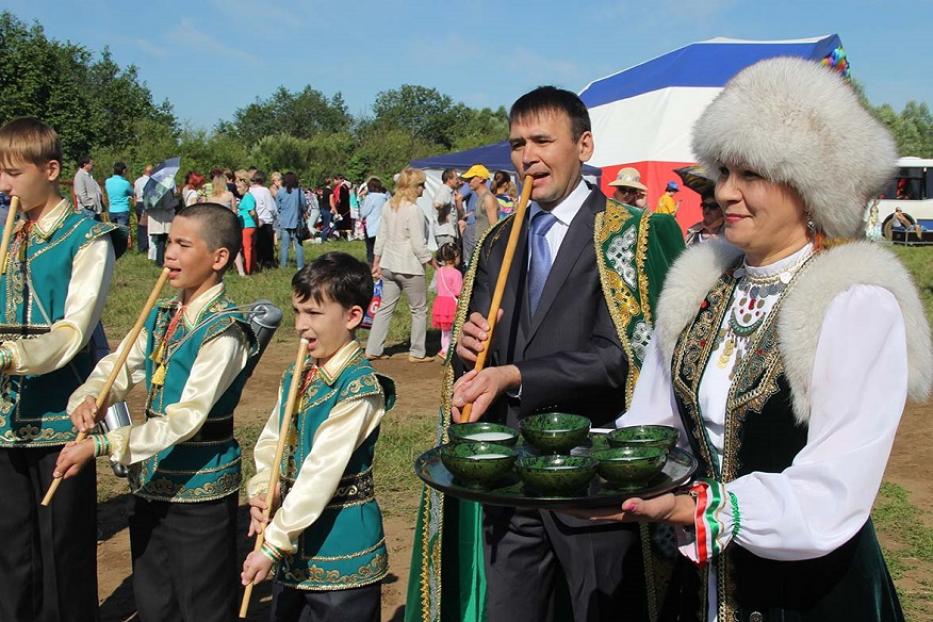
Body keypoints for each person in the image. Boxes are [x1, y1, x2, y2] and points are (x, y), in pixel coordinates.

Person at [586, 57, 932, 621]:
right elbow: (650, 428)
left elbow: (835, 487)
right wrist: (581, 466)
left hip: (813, 595)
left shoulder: (853, 303)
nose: (725, 192)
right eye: (723, 173)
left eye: (750, 175)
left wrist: (704, 507)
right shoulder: (697, 285)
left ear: (807, 184)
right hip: (702, 586)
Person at [407, 86, 685, 622]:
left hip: (596, 479)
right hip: (512, 479)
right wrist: (469, 354)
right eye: (516, 144)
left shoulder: (632, 236)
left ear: (583, 145)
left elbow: (623, 359)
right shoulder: (497, 241)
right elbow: (480, 351)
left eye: (542, 140)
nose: (527, 156)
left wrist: (515, 373)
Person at [56, 203, 256, 622]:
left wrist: (104, 444)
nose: (169, 254)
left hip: (200, 489)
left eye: (184, 245)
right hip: (151, 481)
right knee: (154, 597)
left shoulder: (226, 330)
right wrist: (91, 397)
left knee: (201, 603)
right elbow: (120, 365)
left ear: (219, 258)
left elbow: (187, 418)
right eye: (168, 242)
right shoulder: (162, 313)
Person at [0, 117, 122, 622]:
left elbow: (74, 332)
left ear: (50, 169)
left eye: (12, 172)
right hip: (6, 417)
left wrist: (9, 357)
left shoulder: (88, 238)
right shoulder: (9, 232)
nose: (3, 185)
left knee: (62, 550)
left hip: (63, 413)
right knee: (10, 549)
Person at [241, 252, 395, 621]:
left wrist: (275, 544)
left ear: (353, 316)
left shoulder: (359, 388)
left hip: (342, 549)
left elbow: (321, 472)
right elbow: (272, 440)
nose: (300, 325)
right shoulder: (299, 374)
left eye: (313, 314)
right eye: (297, 312)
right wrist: (266, 487)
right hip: (293, 547)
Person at [366, 168, 435, 363]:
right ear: (413, 187)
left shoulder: (389, 206)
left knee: (385, 308)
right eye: (421, 184)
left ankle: (373, 349)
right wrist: (431, 262)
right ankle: (417, 352)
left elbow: (381, 236)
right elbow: (417, 244)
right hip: (410, 267)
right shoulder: (414, 211)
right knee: (419, 310)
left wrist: (376, 261)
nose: (423, 188)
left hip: (388, 264)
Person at [431, 243, 462, 359]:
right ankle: (447, 350)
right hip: (451, 303)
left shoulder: (440, 271)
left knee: (445, 330)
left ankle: (444, 348)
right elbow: (458, 291)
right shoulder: (457, 273)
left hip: (440, 302)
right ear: (455, 256)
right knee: (454, 328)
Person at [275, 171, 307, 270]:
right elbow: (304, 206)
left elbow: (278, 207)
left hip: (284, 221)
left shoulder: (280, 192)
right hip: (297, 222)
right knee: (299, 245)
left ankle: (283, 265)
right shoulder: (299, 192)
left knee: (284, 246)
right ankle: (300, 266)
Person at [461, 164, 498, 245]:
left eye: (471, 178)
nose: (468, 182)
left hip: (486, 245)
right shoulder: (480, 198)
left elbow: (494, 228)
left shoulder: (488, 198)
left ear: (481, 179)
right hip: (479, 244)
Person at [250, 170, 278, 269]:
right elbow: (271, 206)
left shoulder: (249, 190)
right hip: (265, 220)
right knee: (267, 244)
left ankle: (257, 261)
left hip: (253, 219)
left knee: (256, 243)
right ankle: (268, 262)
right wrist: (275, 216)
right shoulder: (265, 191)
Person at [360, 176, 389, 265]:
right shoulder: (386, 197)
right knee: (381, 249)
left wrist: (361, 201)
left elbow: (364, 212)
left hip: (372, 226)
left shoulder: (370, 198)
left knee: (370, 248)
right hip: (383, 226)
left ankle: (372, 265)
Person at [433, 168, 463, 250]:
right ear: (449, 180)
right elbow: (437, 203)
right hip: (445, 232)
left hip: (447, 232)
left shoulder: (450, 192)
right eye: (456, 179)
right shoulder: (445, 191)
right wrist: (442, 214)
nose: (458, 181)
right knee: (448, 259)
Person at [235, 177, 258, 274]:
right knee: (251, 248)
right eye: (237, 187)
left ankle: (247, 270)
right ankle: (253, 267)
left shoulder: (247, 197)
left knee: (246, 248)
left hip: (247, 226)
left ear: (246, 187)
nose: (237, 189)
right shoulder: (246, 197)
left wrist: (256, 222)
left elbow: (252, 212)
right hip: (249, 225)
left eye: (240, 187)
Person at [105, 161, 134, 228]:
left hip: (112, 210)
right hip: (123, 210)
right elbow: (132, 193)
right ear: (123, 171)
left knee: (114, 233)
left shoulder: (108, 181)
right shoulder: (125, 183)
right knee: (122, 233)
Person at [73, 154, 103, 219]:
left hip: (94, 210)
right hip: (87, 211)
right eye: (91, 164)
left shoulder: (89, 176)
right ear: (85, 164)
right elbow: (80, 194)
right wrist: (90, 204)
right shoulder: (80, 176)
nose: (92, 166)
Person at [134, 164, 153, 253]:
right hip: (146, 203)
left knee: (140, 226)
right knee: (148, 226)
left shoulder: (137, 181)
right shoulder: (151, 181)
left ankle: (141, 246)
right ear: (151, 172)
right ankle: (146, 246)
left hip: (138, 203)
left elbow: (135, 193)